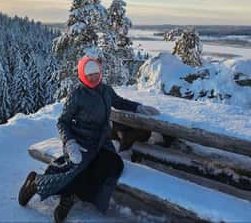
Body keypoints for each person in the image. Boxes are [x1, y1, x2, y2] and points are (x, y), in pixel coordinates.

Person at [18, 55, 160, 223]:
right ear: (82, 75)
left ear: (100, 72)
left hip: (102, 141)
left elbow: (119, 102)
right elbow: (62, 122)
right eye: (89, 74)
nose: (93, 77)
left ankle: (72, 194)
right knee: (78, 168)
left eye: (96, 73)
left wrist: (138, 107)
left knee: (113, 165)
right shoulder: (77, 94)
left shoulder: (106, 90)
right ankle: (36, 183)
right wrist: (70, 143)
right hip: (80, 142)